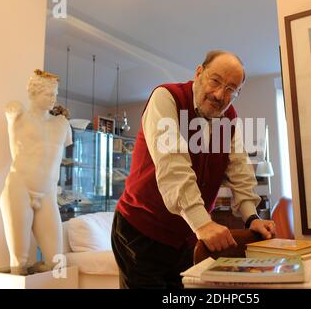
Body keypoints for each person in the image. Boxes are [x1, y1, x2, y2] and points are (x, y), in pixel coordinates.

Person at [111, 50, 276, 288]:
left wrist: (252, 217)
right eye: (216, 81)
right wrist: (203, 223)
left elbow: (240, 170)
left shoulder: (228, 118)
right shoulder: (166, 98)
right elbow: (173, 165)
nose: (220, 95)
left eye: (231, 89)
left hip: (186, 237)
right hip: (140, 231)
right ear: (199, 72)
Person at [0, 69, 73, 275]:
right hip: (19, 190)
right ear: (33, 93)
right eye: (48, 94)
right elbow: (10, 109)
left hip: (48, 194)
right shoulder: (18, 113)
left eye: (55, 94)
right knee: (19, 263)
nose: (53, 98)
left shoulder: (62, 123)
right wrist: (13, 111)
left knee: (57, 263)